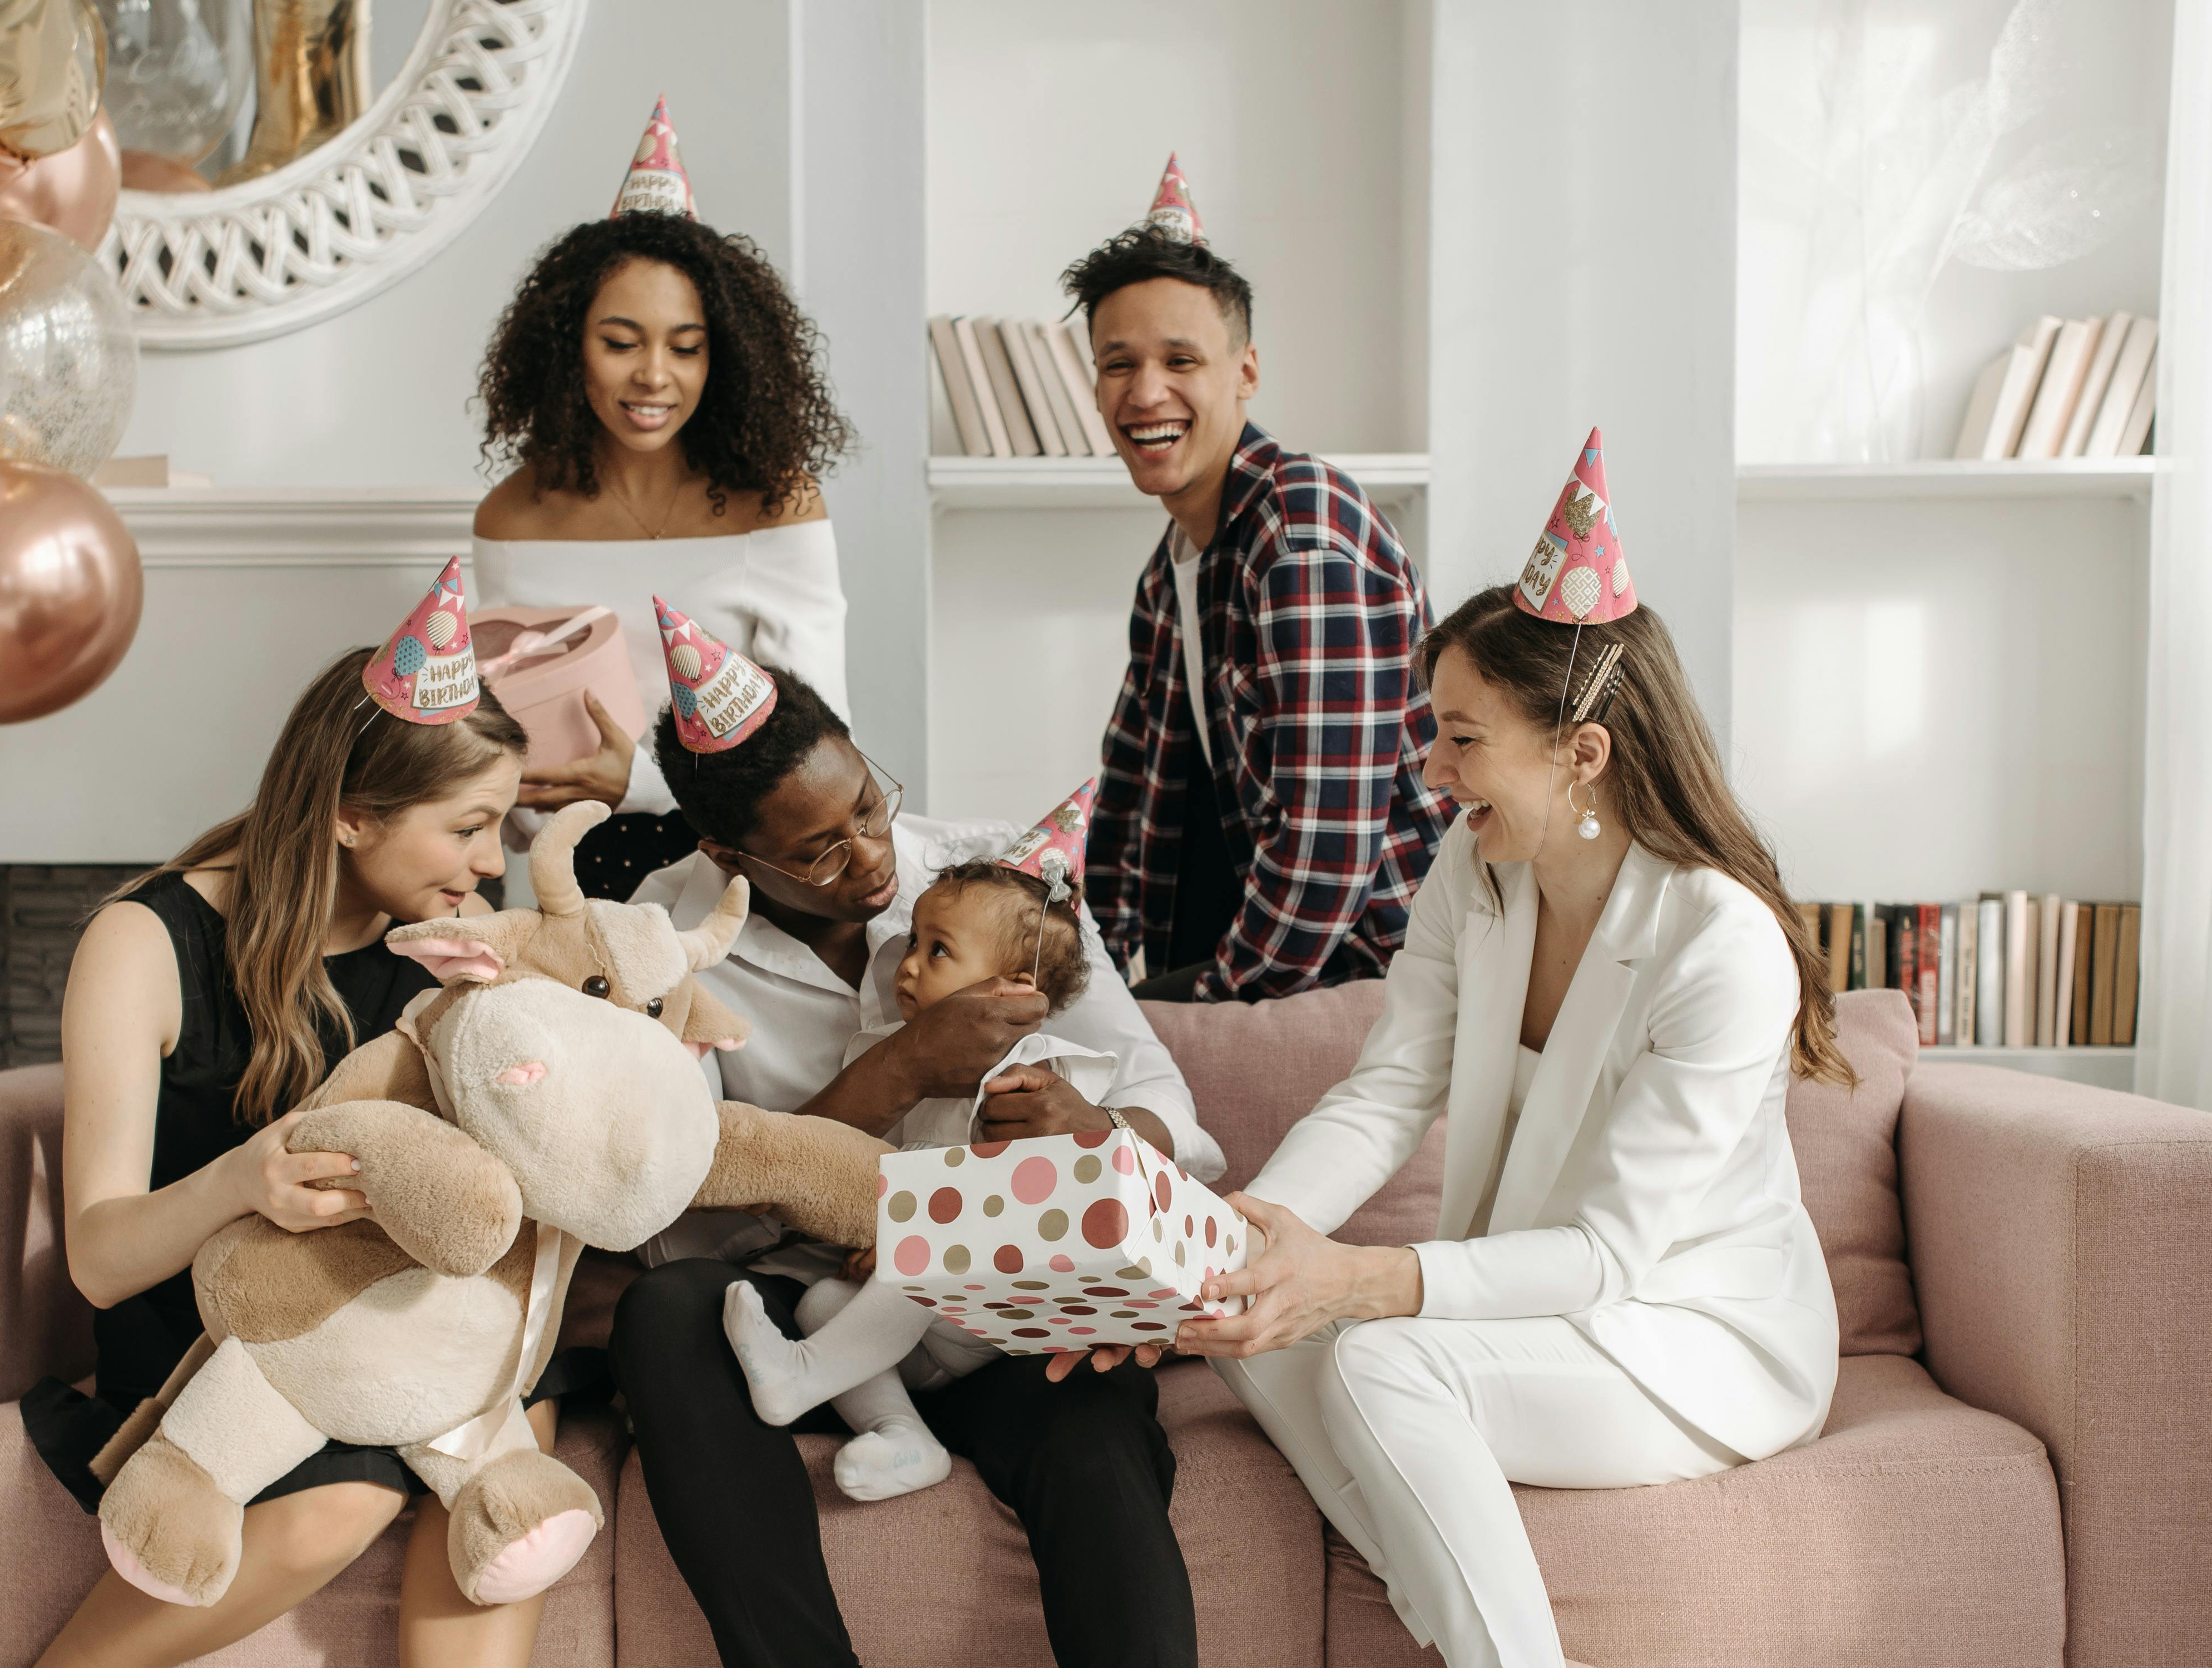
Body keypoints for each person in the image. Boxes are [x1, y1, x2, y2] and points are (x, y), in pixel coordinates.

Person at [1172, 435, 1848, 1668]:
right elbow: (1386, 1091)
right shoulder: (1474, 873)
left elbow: (1603, 1253)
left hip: (1682, 1327)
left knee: (1380, 1363)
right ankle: (1464, 1615)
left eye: (1461, 739)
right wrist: (1246, 1235)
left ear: (1578, 751)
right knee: (1255, 1336)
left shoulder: (1719, 945)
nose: (1428, 775)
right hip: (1535, 1298)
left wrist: (1360, 1280)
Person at [615, 603, 1220, 1668]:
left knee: (1091, 1417)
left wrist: (1097, 1128)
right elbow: (667, 1226)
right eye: (820, 850)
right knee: (664, 1313)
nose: (871, 857)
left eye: (869, 803)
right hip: (803, 1318)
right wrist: (893, 1072)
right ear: (727, 853)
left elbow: (1173, 1116)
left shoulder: (990, 884)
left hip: (996, 1302)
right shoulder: (660, 940)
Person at [24, 561, 572, 1668]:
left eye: (501, 828)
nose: (485, 863)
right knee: (346, 1498)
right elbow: (96, 1255)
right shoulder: (145, 942)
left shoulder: (455, 938)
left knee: (504, 1498)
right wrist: (242, 1178)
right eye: (468, 825)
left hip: (412, 1323)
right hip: (220, 1341)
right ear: (349, 811)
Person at [1065, 157, 1452, 1004]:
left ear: (1245, 372)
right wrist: (1077, 968)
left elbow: (1325, 850)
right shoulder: (1170, 571)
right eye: (1117, 363)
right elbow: (1130, 797)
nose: (1145, 392)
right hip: (1269, 957)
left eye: (1180, 359)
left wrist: (1201, 1014)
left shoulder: (1301, 532)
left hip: (1382, 979)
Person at [472, 96, 854, 899]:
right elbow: (503, 721)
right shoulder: (511, 520)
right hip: (559, 877)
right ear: (567, 347)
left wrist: (637, 782)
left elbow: (819, 748)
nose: (654, 375)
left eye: (686, 348)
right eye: (620, 342)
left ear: (729, 359)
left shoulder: (776, 509)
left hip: (732, 869)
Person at [721, 791, 1109, 1504]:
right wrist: (885, 1229)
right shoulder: (896, 1054)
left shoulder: (1030, 1074)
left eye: (938, 951)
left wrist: (909, 1235)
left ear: (1011, 989)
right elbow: (887, 1172)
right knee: (821, 1299)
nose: (907, 964)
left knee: (929, 1253)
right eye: (913, 942)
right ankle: (904, 1436)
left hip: (1007, 1312)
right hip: (925, 1322)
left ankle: (804, 1375)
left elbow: (1015, 1198)